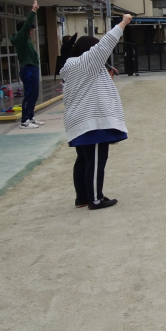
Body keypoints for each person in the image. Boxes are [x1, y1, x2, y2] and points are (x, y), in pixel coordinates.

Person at [61, 14, 133, 210]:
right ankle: (95, 198)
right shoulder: (86, 63)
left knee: (84, 161)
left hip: (79, 121)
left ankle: (82, 197)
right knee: (95, 160)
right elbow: (106, 43)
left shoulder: (73, 67)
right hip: (91, 121)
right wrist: (124, 22)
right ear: (88, 52)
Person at [9, 0, 42, 129]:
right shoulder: (21, 38)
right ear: (25, 30)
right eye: (31, 29)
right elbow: (27, 25)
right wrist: (33, 11)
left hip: (32, 67)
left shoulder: (26, 40)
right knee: (29, 94)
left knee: (34, 94)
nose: (32, 31)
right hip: (27, 68)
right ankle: (24, 120)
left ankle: (31, 117)